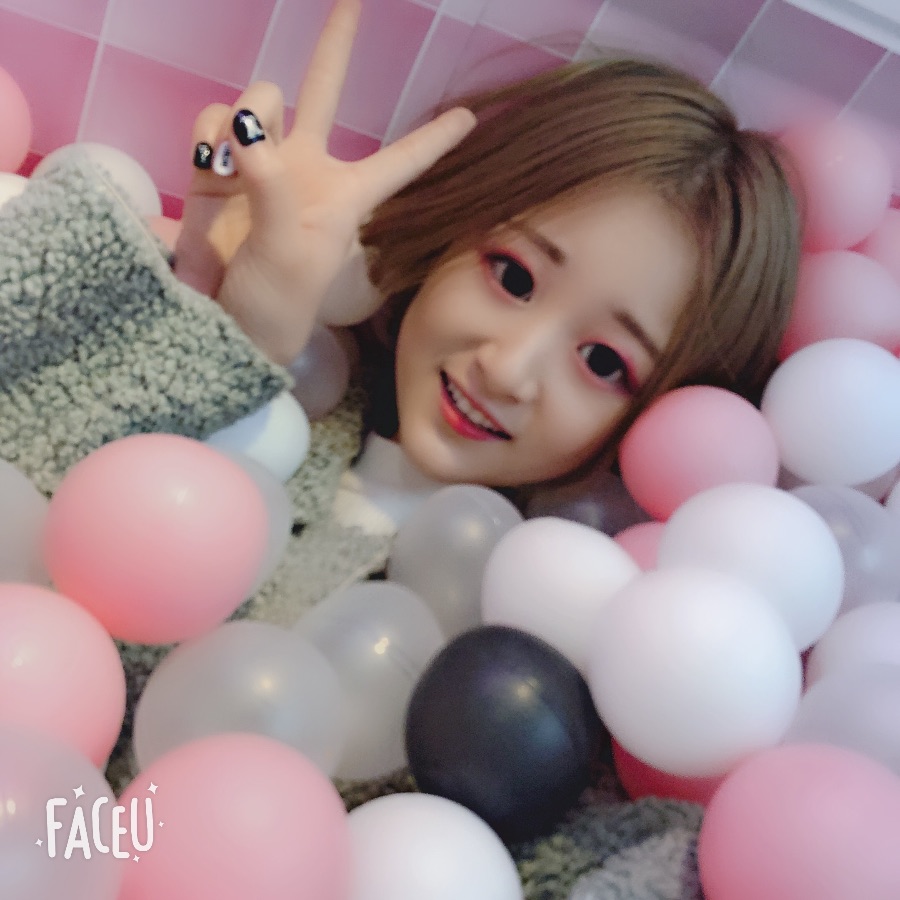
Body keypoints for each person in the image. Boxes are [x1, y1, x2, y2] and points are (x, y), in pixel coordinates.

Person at [0, 1, 800, 896]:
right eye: (513, 275)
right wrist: (236, 327)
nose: (509, 368)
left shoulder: (551, 677)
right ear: (454, 229)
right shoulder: (241, 376)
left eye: (604, 362)